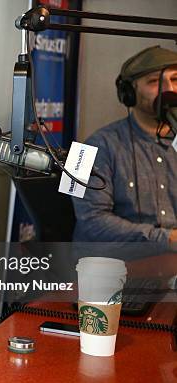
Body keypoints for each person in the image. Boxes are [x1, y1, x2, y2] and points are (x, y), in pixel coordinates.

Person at [72, 45, 177, 249]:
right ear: (128, 93)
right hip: (115, 265)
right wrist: (166, 239)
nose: (169, 90)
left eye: (175, 79)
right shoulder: (87, 147)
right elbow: (90, 221)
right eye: (155, 81)